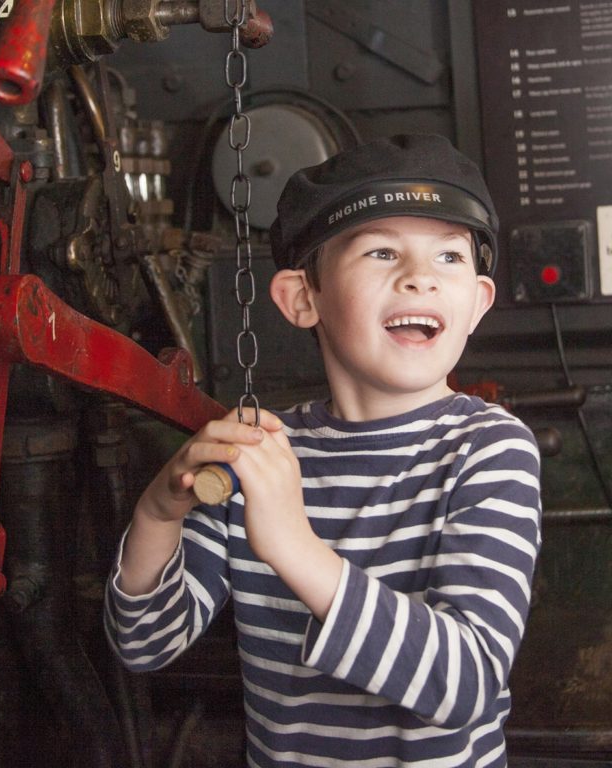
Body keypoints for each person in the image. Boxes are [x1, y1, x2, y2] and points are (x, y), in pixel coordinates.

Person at [104, 134, 542, 768]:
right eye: (382, 251)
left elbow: (464, 683)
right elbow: (144, 644)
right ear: (302, 298)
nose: (420, 276)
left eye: (450, 257)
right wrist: (157, 514)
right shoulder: (264, 453)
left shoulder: (490, 448)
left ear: (476, 304)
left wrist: (291, 543)